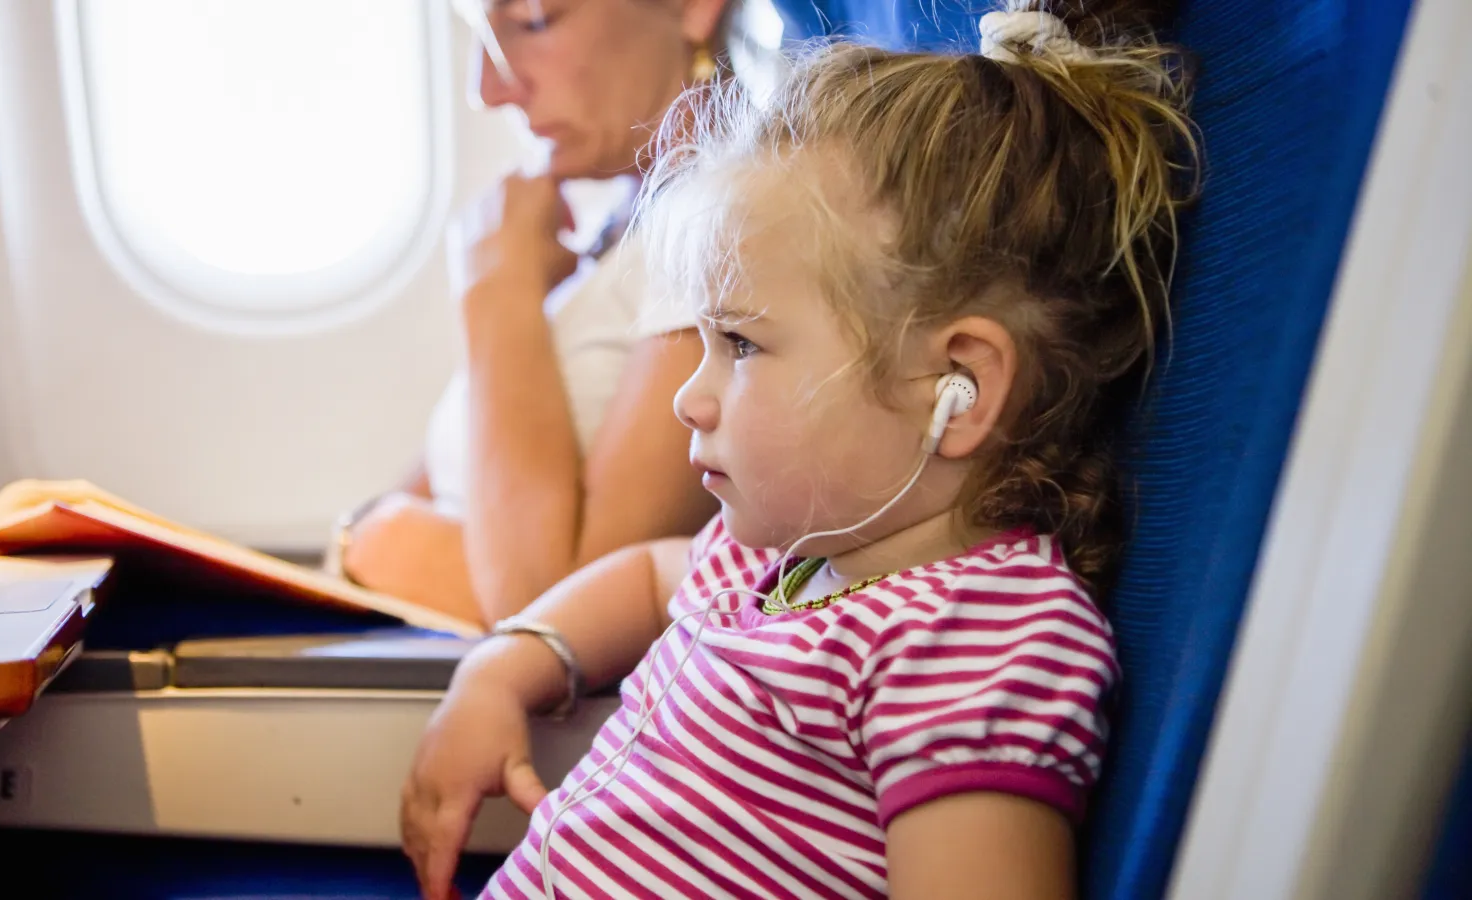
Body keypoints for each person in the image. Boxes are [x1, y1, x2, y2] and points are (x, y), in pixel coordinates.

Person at [400, 0, 1199, 896]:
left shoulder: (970, 639)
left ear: (956, 388)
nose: (688, 396)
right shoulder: (782, 556)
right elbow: (649, 577)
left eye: (740, 345)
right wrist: (506, 664)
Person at [331, 0, 735, 627]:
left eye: (531, 21)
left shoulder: (715, 225)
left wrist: (497, 288)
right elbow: (394, 510)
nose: (488, 89)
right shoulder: (616, 236)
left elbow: (553, 614)